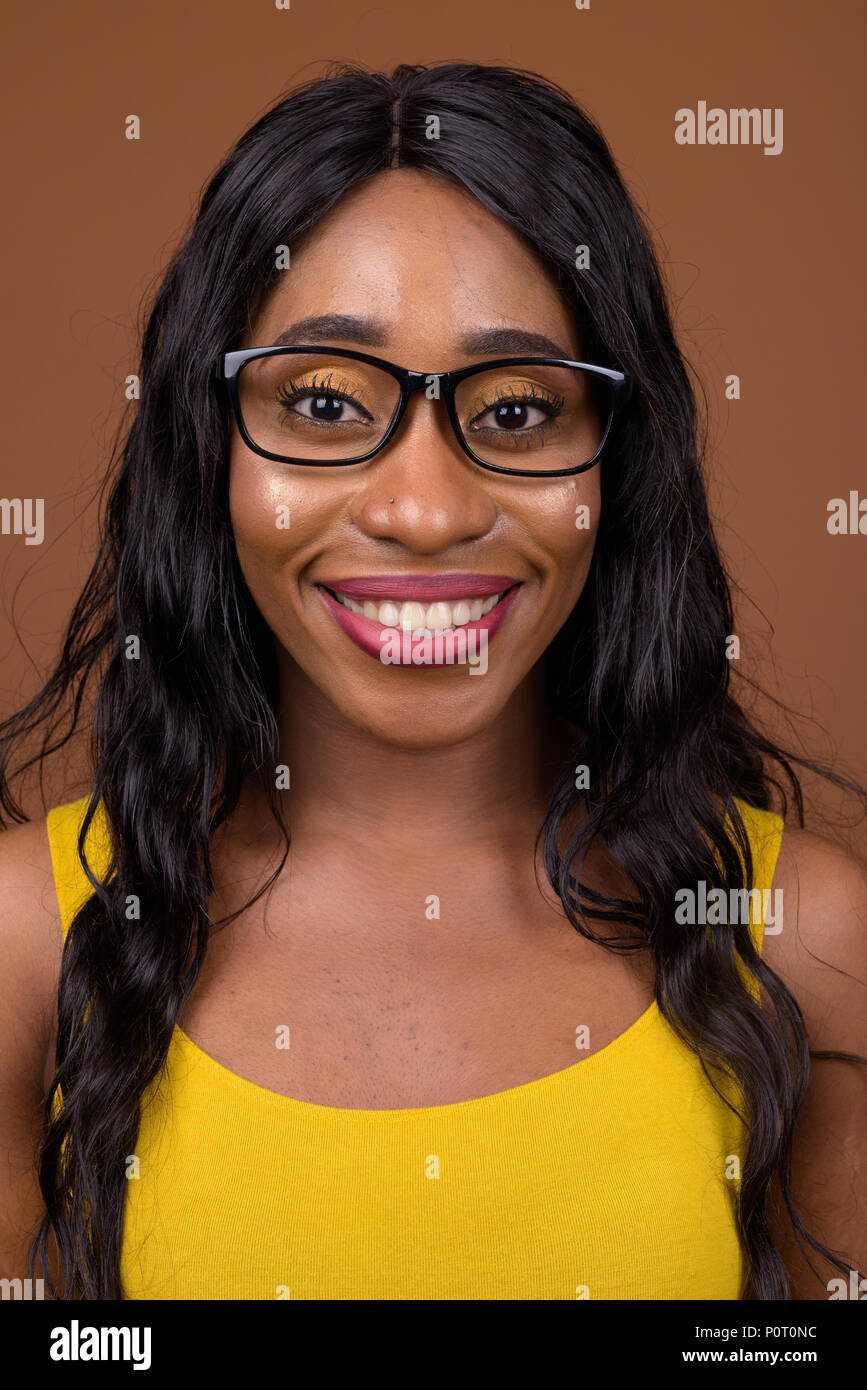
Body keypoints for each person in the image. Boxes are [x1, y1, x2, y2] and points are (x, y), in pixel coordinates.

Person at [0, 61, 864, 1302]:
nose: (424, 509)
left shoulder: (803, 939)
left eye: (515, 413)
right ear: (207, 451)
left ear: (614, 469)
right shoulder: (29, 947)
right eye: (325, 402)